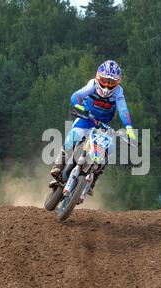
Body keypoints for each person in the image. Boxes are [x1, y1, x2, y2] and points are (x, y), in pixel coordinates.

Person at [50, 60, 137, 195]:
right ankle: (59, 164)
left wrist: (129, 127)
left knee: (110, 149)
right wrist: (78, 105)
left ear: (117, 83)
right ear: (98, 77)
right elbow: (76, 96)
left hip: (103, 126)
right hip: (86, 118)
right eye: (105, 80)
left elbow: (123, 109)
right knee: (74, 136)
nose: (107, 85)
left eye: (111, 82)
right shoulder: (92, 85)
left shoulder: (118, 93)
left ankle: (94, 178)